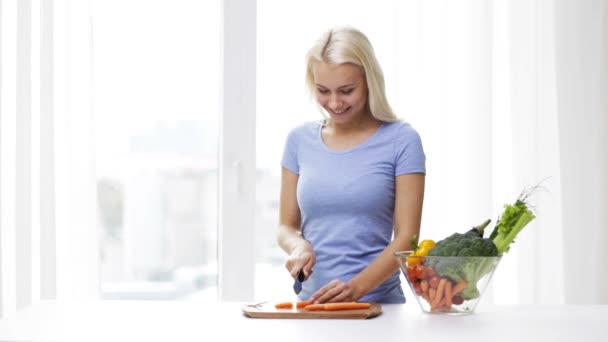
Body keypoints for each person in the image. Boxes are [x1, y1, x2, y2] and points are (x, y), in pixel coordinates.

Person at [277, 26, 426, 304]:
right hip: (312, 305)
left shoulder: (402, 140)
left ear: (369, 81)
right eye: (323, 91)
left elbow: (408, 237)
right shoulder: (298, 140)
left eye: (346, 90)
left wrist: (355, 289)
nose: (334, 103)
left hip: (379, 307)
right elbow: (286, 226)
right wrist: (298, 246)